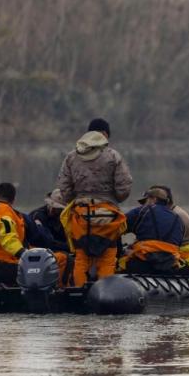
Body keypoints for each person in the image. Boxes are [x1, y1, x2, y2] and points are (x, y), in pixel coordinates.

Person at [56, 118, 131, 285]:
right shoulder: (113, 156)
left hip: (81, 215)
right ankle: (104, 292)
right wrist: (114, 198)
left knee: (81, 256)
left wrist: (76, 198)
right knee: (107, 256)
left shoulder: (71, 157)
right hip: (108, 215)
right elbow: (123, 188)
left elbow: (64, 188)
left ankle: (79, 290)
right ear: (105, 134)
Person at [117, 187, 185, 275]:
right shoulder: (178, 218)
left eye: (145, 201)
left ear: (153, 199)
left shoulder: (143, 211)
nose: (143, 204)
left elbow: (116, 228)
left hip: (143, 263)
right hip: (169, 265)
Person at [145, 185, 189, 277]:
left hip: (181, 259)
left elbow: (163, 244)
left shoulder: (174, 216)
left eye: (149, 199)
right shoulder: (172, 212)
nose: (146, 203)